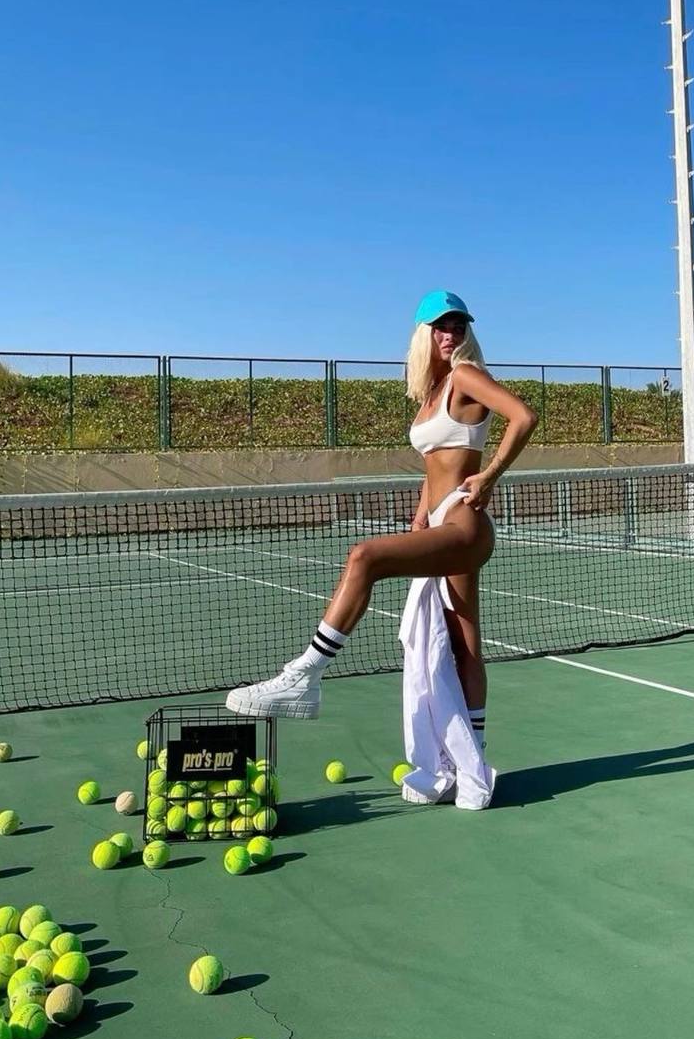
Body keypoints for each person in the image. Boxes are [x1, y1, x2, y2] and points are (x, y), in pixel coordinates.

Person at [226, 291, 539, 753]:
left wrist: (490, 475)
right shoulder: (433, 392)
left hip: (465, 524)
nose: (451, 333)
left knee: (365, 557)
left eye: (458, 326)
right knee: (464, 643)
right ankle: (470, 758)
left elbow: (524, 417)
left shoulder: (466, 375)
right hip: (441, 524)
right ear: (423, 334)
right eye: (441, 326)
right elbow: (437, 463)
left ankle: (304, 675)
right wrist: (421, 516)